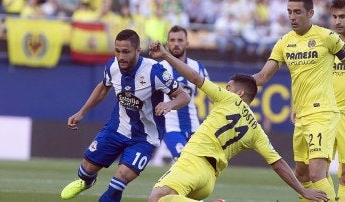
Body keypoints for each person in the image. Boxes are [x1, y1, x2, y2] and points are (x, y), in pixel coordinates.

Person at [146, 41, 329, 202]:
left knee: (157, 198)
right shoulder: (256, 130)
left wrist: (166, 55)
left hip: (193, 162)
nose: (225, 88)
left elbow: (194, 77)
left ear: (239, 93)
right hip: (209, 180)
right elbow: (279, 163)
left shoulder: (228, 99)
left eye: (229, 87)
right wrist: (302, 190)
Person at [60, 29, 190, 202]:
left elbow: (184, 96)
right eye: (117, 51)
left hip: (145, 138)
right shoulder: (112, 66)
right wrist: (81, 112)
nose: (120, 56)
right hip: (116, 129)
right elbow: (103, 87)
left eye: (126, 52)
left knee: (118, 182)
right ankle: (86, 182)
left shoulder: (155, 71)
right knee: (86, 170)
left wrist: (169, 104)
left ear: (138, 50)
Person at [252, 0, 345, 201]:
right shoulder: (284, 42)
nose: (292, 17)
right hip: (301, 116)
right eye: (289, 12)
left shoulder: (326, 37)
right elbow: (262, 77)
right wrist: (239, 84)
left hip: (324, 113)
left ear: (310, 13)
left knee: (317, 173)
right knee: (301, 175)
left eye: (297, 12)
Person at [160, 25, 209, 160]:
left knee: (201, 166)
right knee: (184, 160)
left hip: (194, 127)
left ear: (187, 43)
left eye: (180, 40)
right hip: (171, 127)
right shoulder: (160, 68)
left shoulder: (197, 67)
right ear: (167, 43)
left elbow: (211, 94)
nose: (176, 44)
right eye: (172, 40)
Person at [330, 0, 345, 201]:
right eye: (334, 17)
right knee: (308, 172)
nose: (338, 22)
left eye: (342, 17)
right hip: (324, 114)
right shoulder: (327, 42)